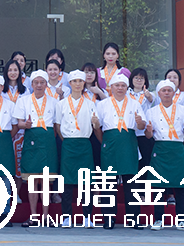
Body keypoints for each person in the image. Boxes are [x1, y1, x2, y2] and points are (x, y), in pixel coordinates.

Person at [145, 79, 184, 232]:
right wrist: (148, 130)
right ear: (159, 93)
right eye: (164, 90)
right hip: (160, 149)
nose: (166, 93)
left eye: (169, 90)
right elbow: (148, 136)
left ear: (174, 93)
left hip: (177, 148)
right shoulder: (151, 111)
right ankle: (158, 219)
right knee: (158, 186)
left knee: (180, 186)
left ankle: (181, 220)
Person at [96, 74, 146, 230]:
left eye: (123, 86)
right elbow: (97, 127)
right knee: (108, 184)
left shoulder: (135, 104)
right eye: (117, 85)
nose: (120, 88)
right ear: (111, 87)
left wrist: (140, 123)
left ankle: (134, 218)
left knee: (131, 183)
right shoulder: (102, 104)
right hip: (110, 145)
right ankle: (108, 218)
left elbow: (142, 126)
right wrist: (105, 143)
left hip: (129, 145)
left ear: (127, 88)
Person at [14, 70, 58, 228]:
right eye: (36, 82)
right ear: (31, 84)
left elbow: (57, 125)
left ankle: (45, 216)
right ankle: (33, 216)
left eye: (42, 82)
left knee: (45, 182)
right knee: (32, 180)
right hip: (31, 139)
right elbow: (18, 122)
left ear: (46, 84)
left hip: (48, 141)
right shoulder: (23, 101)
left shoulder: (54, 101)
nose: (39, 85)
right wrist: (24, 125)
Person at [56, 69, 98, 228]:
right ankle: (67, 217)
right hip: (68, 144)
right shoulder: (61, 104)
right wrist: (67, 141)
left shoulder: (90, 104)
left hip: (84, 144)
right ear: (70, 83)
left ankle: (87, 217)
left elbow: (96, 126)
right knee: (67, 183)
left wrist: (96, 123)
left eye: (80, 81)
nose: (78, 84)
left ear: (84, 83)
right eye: (74, 81)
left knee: (87, 183)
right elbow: (58, 126)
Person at [129, 67, 155, 169]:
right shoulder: (126, 94)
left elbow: (151, 99)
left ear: (145, 81)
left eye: (141, 78)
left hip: (143, 133)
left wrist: (147, 95)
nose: (138, 80)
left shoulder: (148, 94)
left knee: (144, 162)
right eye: (136, 78)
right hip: (130, 132)